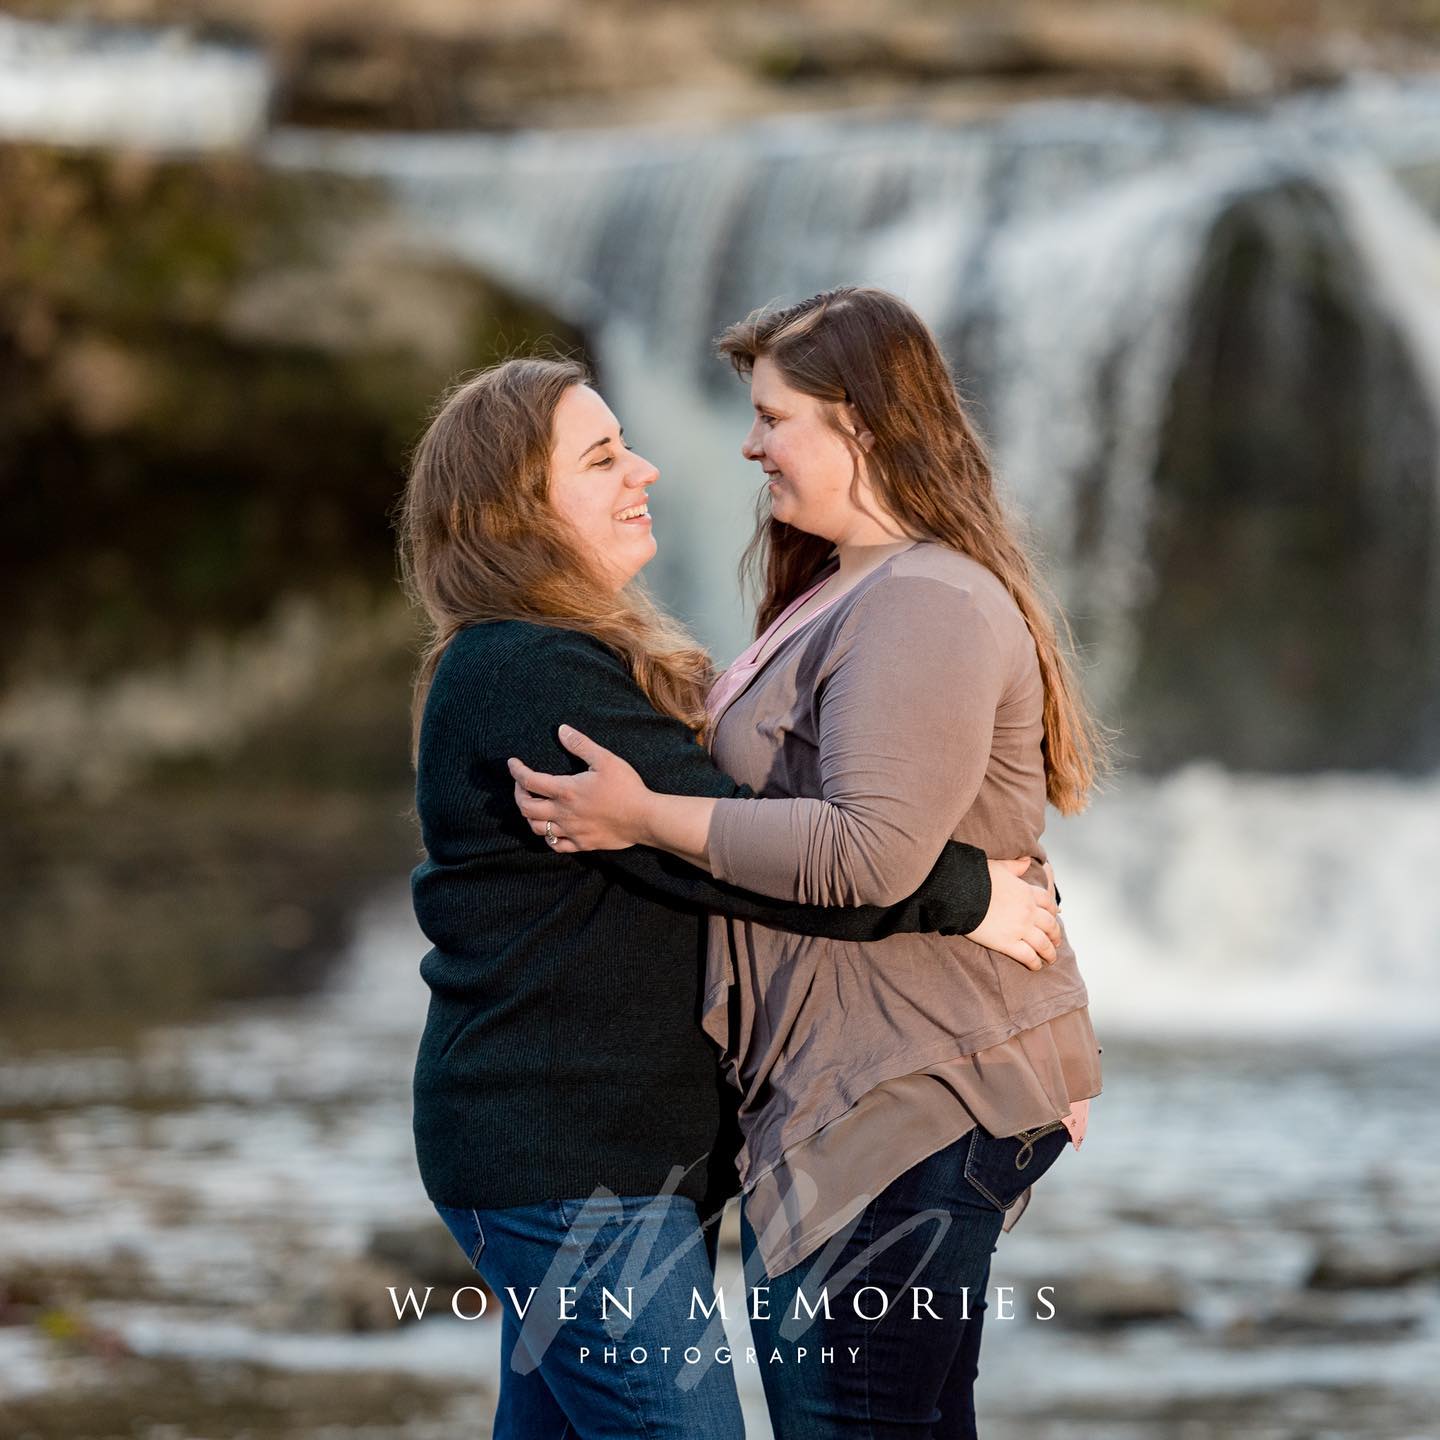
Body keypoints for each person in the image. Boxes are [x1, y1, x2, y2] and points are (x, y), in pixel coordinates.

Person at [398, 354, 1064, 1440]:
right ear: (516, 509)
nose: (646, 470)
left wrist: (1031, 1029)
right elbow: (748, 853)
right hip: (572, 1174)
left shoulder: (551, 658)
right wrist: (970, 898)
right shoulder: (526, 672)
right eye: (604, 457)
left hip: (589, 1165)